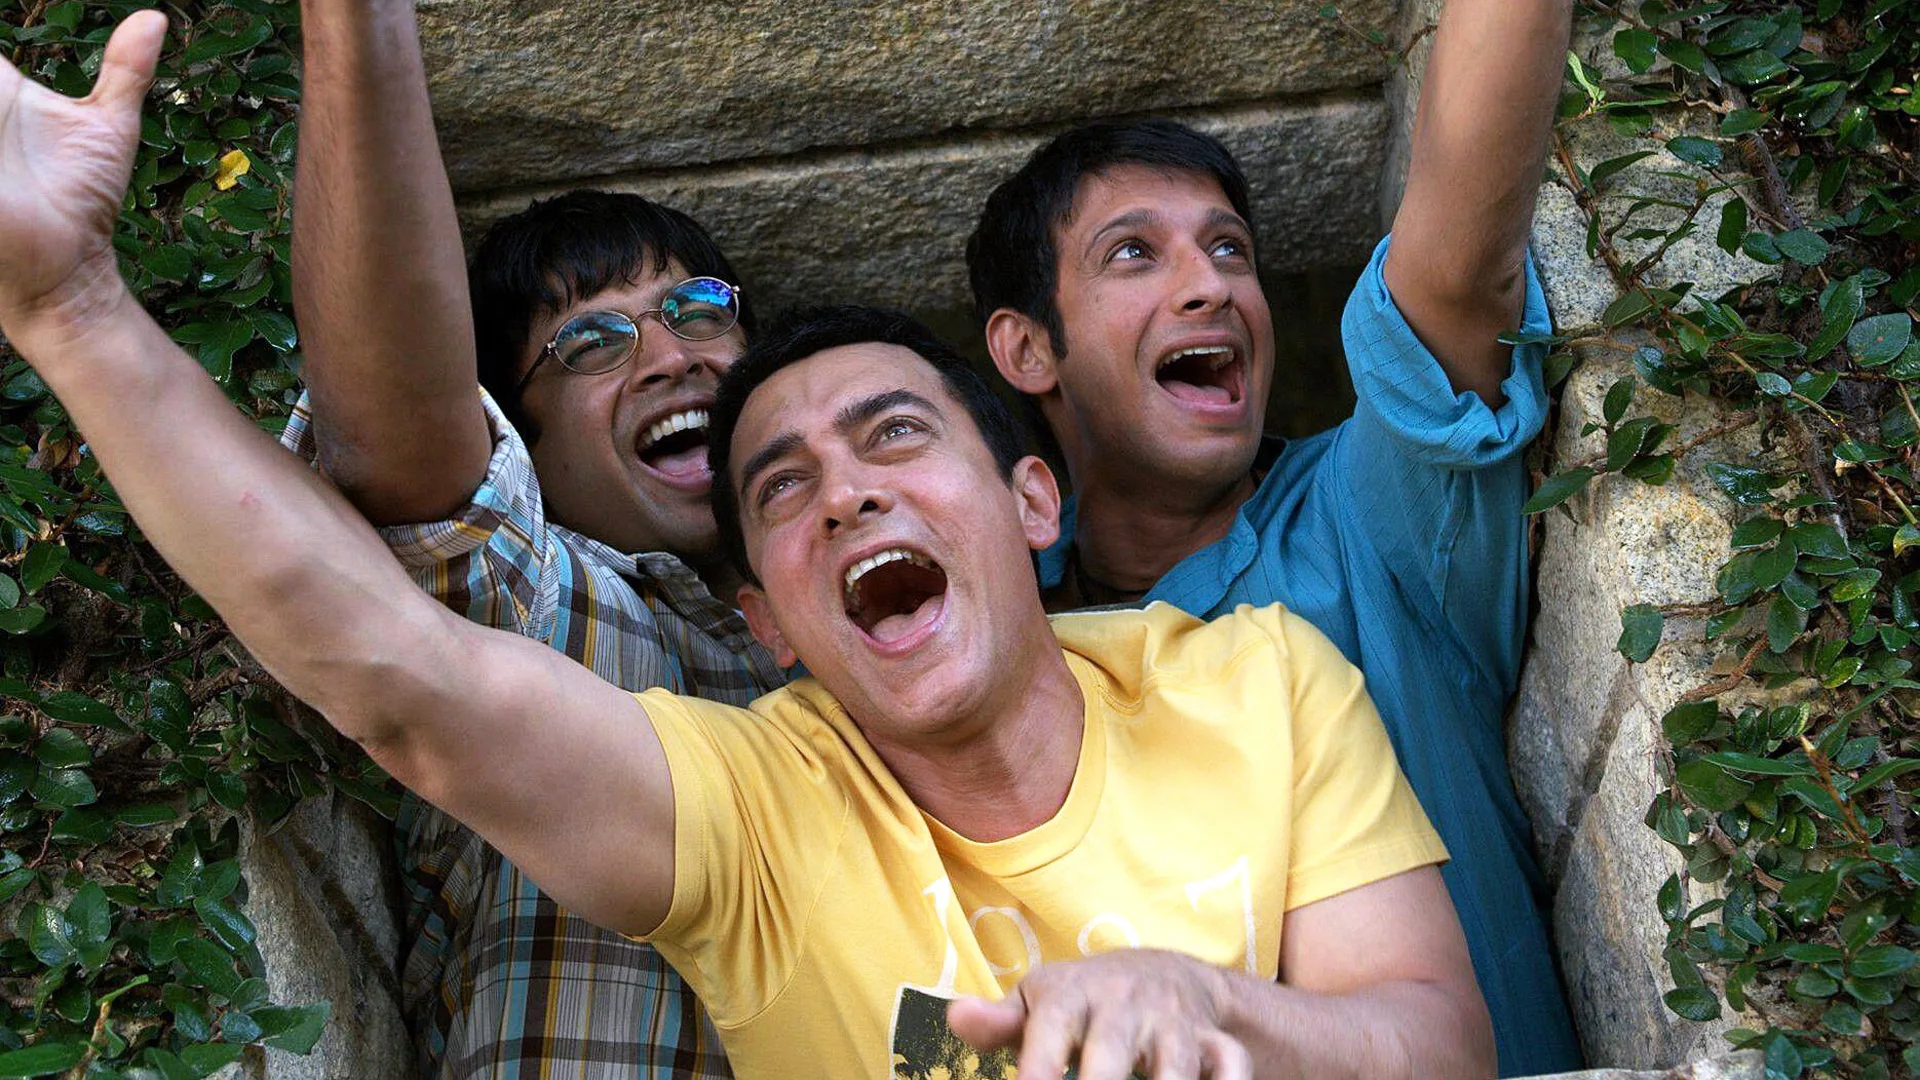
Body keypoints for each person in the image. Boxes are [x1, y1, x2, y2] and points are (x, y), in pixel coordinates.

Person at [0, 20, 1494, 1076]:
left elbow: (1437, 1039)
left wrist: (1214, 1015)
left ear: (1033, 505)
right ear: (768, 618)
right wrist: (69, 310)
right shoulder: (755, 805)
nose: (842, 494)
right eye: (779, 489)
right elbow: (399, 669)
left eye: (895, 434)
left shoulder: (1256, 680)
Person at [965, 3, 1583, 1074]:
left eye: (1230, 250)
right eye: (1133, 254)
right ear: (1028, 350)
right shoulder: (977, 642)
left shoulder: (1369, 517)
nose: (1210, 285)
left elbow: (1457, 270)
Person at [284, 1, 782, 1074]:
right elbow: (400, 439)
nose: (672, 357)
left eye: (699, 309)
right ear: (522, 445)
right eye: (592, 341)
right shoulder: (542, 612)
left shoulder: (885, 644)